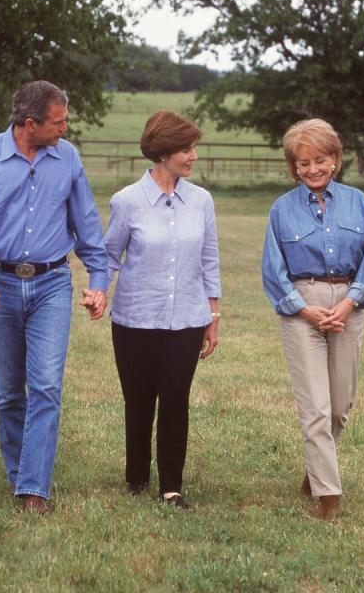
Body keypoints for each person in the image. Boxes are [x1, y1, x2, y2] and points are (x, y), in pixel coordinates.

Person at [0, 80, 107, 515]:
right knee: (8, 394)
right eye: (59, 122)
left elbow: (88, 228)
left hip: (52, 284)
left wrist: (98, 281)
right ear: (30, 123)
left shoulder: (68, 159)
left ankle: (33, 488)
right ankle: (19, 474)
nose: (65, 128)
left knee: (46, 386)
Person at [261, 118, 364, 521]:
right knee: (314, 404)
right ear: (293, 166)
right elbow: (272, 270)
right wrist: (304, 308)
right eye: (302, 163)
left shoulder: (358, 202)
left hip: (349, 305)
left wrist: (348, 304)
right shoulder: (281, 210)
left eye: (319, 161)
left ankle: (314, 471)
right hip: (302, 308)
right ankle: (329, 494)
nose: (311, 169)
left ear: (335, 160)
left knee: (339, 406)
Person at [103, 110, 221, 510]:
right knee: (138, 401)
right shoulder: (127, 202)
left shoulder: (202, 201)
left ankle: (171, 485)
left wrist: (213, 317)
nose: (193, 157)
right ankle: (136, 475)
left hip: (187, 319)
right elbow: (108, 257)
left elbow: (209, 260)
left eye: (193, 148)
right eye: (186, 149)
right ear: (164, 151)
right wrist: (96, 292)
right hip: (135, 319)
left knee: (176, 399)